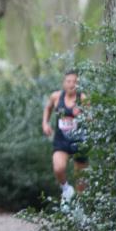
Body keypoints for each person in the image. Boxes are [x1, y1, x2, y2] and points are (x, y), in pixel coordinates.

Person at [42, 70, 88, 203]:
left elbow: (93, 119)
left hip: (79, 142)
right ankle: (66, 189)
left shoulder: (83, 98)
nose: (71, 84)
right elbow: (48, 108)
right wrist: (45, 123)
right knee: (58, 168)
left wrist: (83, 115)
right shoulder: (56, 97)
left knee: (81, 181)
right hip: (61, 140)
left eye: (75, 82)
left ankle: (80, 208)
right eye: (69, 81)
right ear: (64, 83)